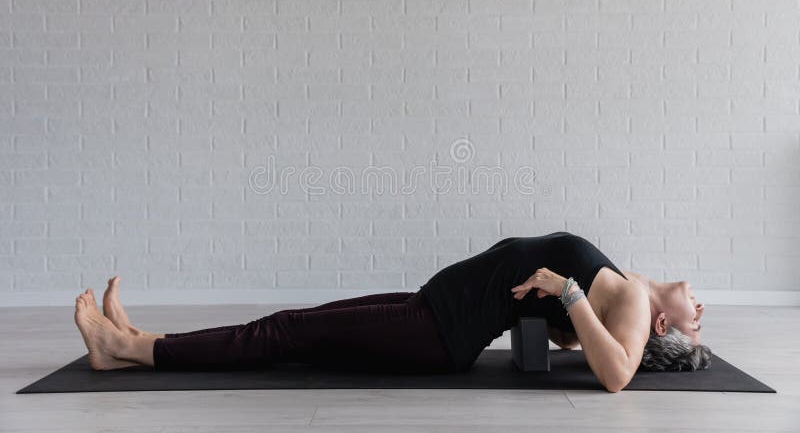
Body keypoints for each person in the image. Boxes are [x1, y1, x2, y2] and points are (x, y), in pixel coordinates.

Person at [74, 231, 711, 392]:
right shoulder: (625, 291)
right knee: (293, 324)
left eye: (696, 319)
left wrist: (565, 289)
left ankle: (129, 349)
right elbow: (581, 342)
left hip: (436, 332)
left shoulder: (629, 302)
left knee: (284, 332)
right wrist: (567, 312)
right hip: (429, 310)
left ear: (663, 325)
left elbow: (619, 376)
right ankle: (136, 337)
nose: (700, 305)